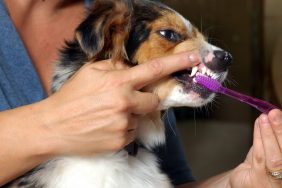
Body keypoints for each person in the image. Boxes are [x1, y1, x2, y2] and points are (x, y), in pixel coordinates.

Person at [0, 0, 281, 188]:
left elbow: (176, 179)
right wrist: (55, 124)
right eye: (171, 36)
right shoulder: (118, 21)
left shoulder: (135, 8)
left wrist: (238, 182)